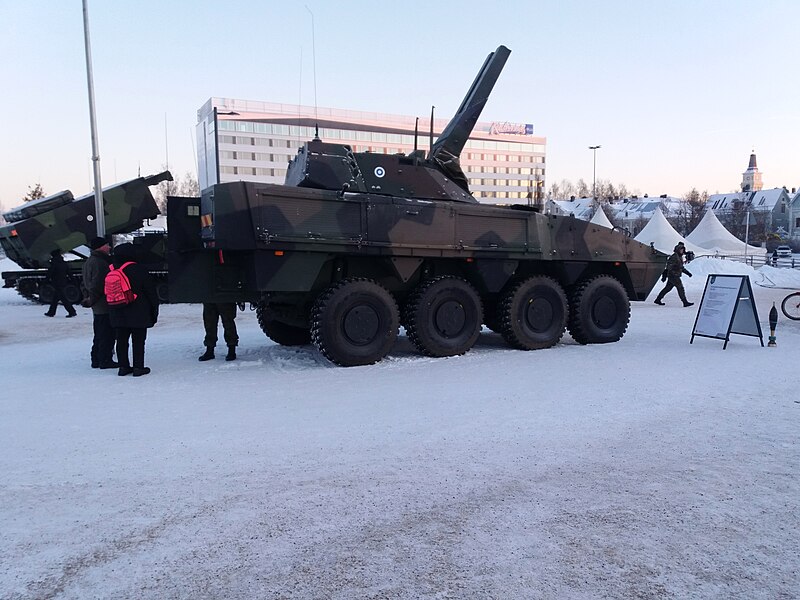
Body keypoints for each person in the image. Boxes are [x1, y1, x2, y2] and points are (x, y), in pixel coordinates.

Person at [107, 243, 159, 377]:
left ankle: (123, 367)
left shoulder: (112, 269)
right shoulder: (139, 269)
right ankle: (138, 367)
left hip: (117, 310)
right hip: (139, 312)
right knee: (138, 341)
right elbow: (150, 293)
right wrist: (154, 312)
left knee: (121, 341)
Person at [81, 237, 117, 369]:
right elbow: (99, 284)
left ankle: (96, 358)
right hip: (103, 304)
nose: (109, 248)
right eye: (107, 245)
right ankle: (105, 359)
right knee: (106, 333)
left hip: (96, 304)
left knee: (99, 333)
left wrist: (88, 298)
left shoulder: (89, 261)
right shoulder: (101, 263)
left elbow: (85, 283)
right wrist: (93, 299)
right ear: (101, 247)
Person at [654, 242, 694, 307]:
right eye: (681, 249)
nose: (682, 251)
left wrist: (687, 273)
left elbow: (681, 267)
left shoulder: (679, 257)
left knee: (667, 288)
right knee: (680, 288)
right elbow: (669, 266)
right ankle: (685, 302)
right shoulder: (674, 256)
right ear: (678, 249)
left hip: (674, 275)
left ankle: (658, 299)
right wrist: (670, 272)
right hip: (674, 275)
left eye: (683, 249)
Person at [44, 249, 77, 318]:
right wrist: (73, 281)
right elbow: (69, 273)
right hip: (63, 282)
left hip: (56, 283)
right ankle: (51, 312)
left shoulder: (54, 263)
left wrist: (45, 281)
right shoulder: (64, 263)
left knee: (63, 298)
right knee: (55, 298)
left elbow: (50, 273)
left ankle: (72, 311)